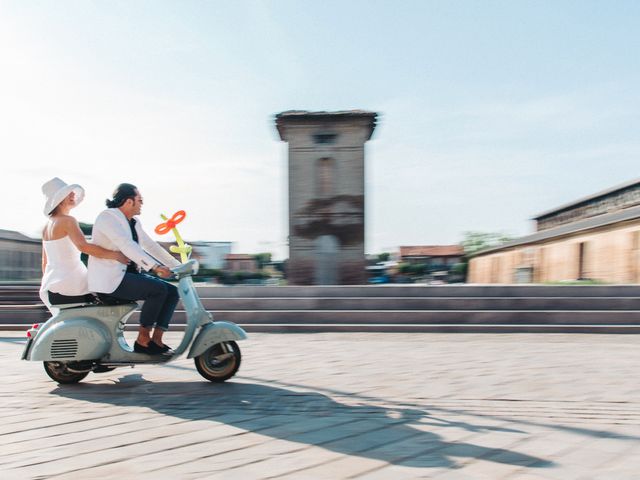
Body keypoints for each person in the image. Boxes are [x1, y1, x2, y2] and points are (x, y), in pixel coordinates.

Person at [88, 183, 181, 355]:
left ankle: (157, 340)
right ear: (128, 201)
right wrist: (155, 267)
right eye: (140, 200)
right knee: (158, 290)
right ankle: (143, 339)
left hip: (126, 277)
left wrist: (178, 266)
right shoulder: (108, 217)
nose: (142, 204)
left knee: (173, 291)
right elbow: (127, 245)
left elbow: (151, 246)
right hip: (110, 280)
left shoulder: (134, 222)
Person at [39, 177, 130, 313]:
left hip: (51, 285)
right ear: (58, 199)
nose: (73, 194)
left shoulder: (46, 227)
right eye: (68, 193)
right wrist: (116, 255)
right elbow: (84, 247)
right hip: (73, 284)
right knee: (117, 297)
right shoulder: (68, 221)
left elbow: (45, 263)